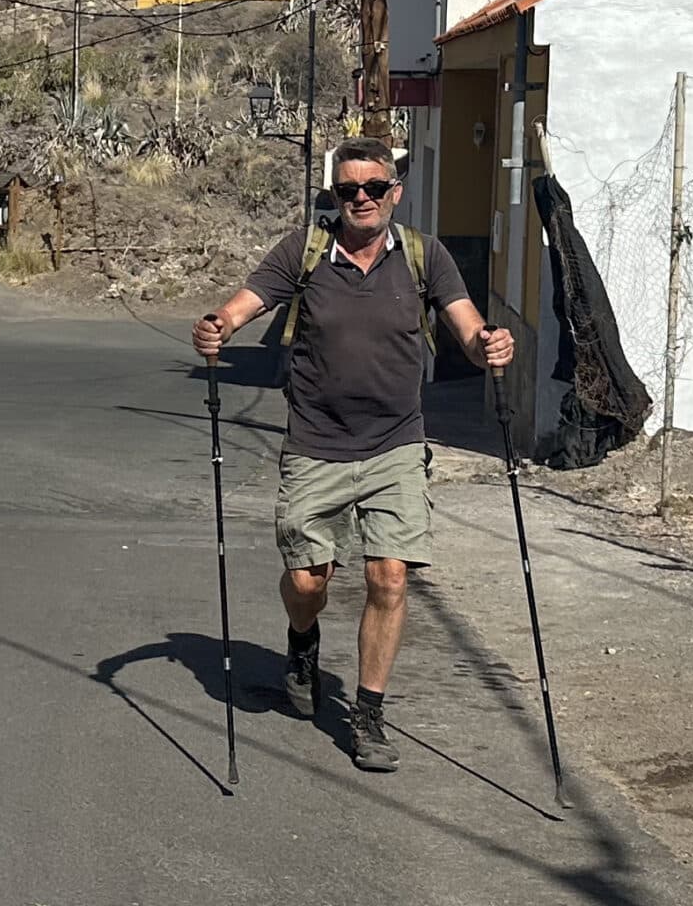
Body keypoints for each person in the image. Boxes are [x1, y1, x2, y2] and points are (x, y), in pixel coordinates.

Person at [192, 136, 511, 772]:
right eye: (347, 190)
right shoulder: (305, 252)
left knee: (388, 576)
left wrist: (488, 347)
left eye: (373, 188)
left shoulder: (424, 255)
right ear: (333, 196)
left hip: (396, 442)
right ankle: (302, 638)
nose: (361, 199)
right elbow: (244, 304)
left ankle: (368, 713)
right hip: (316, 443)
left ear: (394, 192)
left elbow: (466, 324)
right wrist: (218, 326)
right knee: (310, 582)